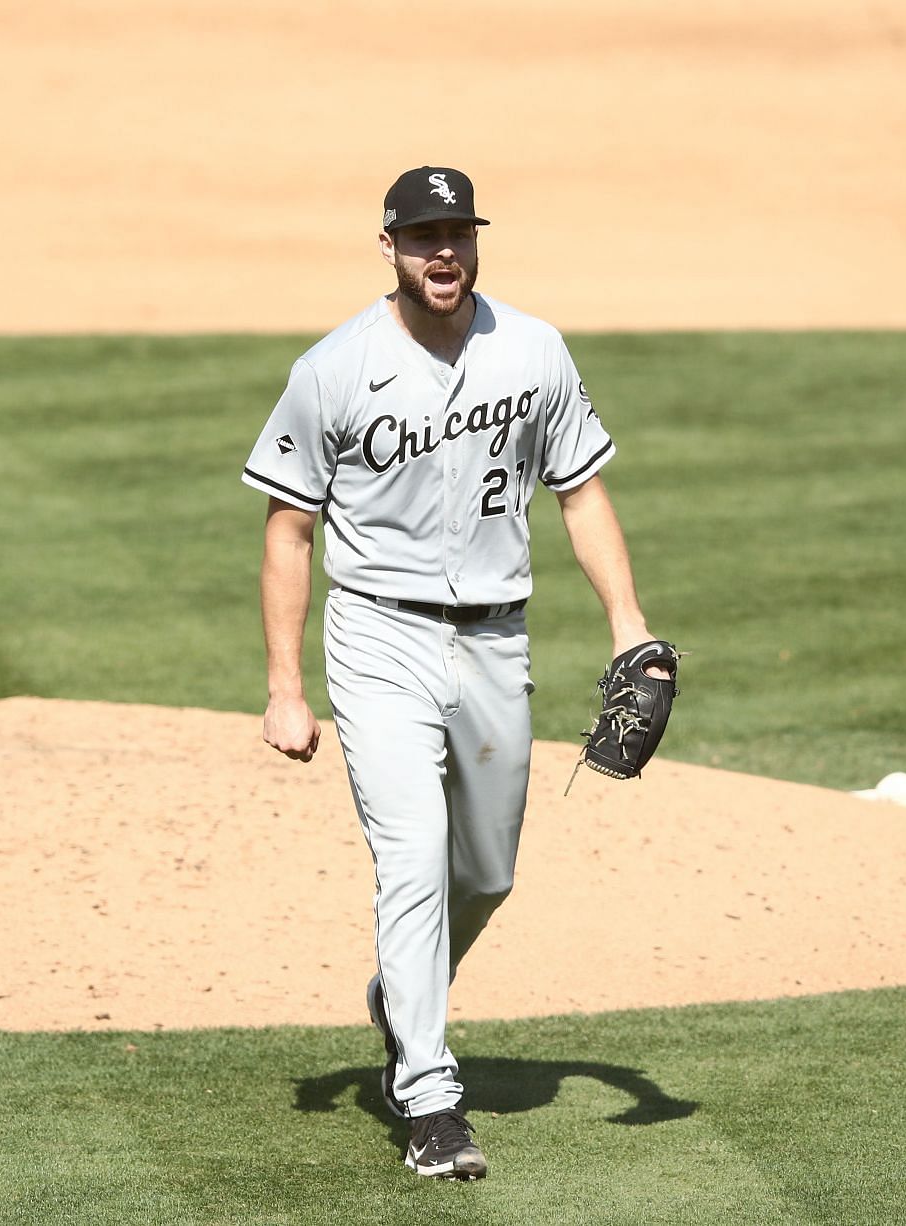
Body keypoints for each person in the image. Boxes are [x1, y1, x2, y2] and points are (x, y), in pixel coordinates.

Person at [242, 166, 664, 1181]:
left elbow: (581, 494)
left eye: (459, 233)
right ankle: (430, 1095)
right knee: (413, 853)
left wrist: (629, 627)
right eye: (424, 235)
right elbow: (289, 530)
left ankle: (400, 993)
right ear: (387, 246)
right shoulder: (335, 368)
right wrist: (285, 687)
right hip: (379, 638)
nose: (445, 251)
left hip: (496, 640)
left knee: (486, 870)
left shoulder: (532, 350)